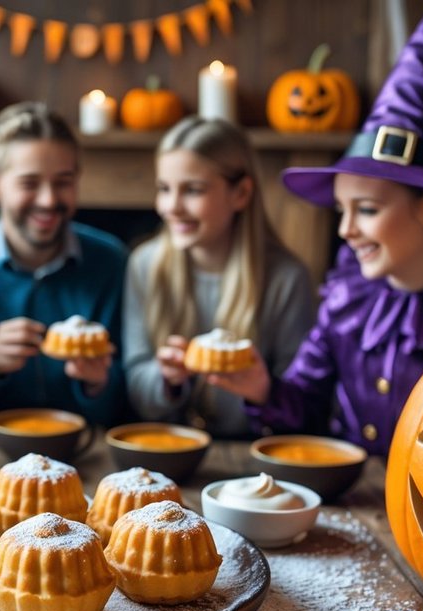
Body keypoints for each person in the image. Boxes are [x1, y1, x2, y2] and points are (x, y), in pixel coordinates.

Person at [222, 0, 423, 455]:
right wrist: (261, 388)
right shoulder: (347, 298)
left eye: (367, 210)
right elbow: (306, 410)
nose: (346, 230)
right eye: (342, 210)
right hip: (354, 490)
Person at [0, 102, 126, 428]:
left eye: (63, 182)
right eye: (29, 183)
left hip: (83, 445)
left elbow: (126, 397)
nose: (48, 200)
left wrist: (98, 383)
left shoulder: (110, 261)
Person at [124, 116, 314, 437]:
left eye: (193, 190)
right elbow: (135, 383)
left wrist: (264, 391)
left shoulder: (287, 279)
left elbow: (304, 407)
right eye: (164, 189)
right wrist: (166, 379)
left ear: (241, 193)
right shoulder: (145, 265)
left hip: (249, 454)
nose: (172, 206)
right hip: (167, 449)